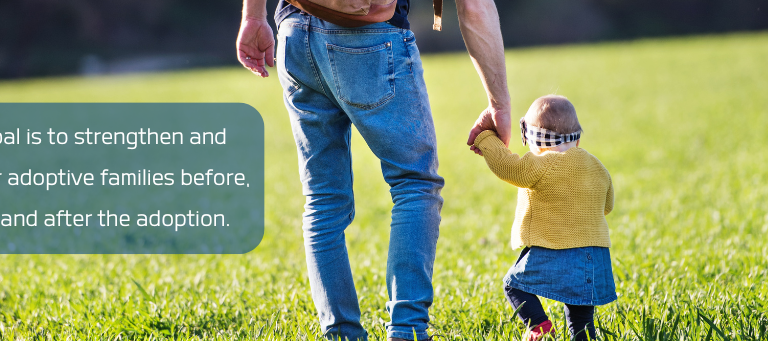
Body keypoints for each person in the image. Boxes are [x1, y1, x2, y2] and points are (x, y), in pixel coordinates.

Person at [236, 0, 512, 340]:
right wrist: (499, 104)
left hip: (293, 35)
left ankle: (341, 334)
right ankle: (407, 331)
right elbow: (474, 6)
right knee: (414, 184)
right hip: (368, 37)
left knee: (323, 199)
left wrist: (253, 16)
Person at [471, 95, 617, 341]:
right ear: (577, 138)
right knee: (580, 318)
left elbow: (508, 166)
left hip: (557, 249)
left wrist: (486, 138)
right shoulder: (598, 167)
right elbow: (607, 206)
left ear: (534, 142)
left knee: (514, 286)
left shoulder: (544, 163)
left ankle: (539, 325)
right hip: (594, 256)